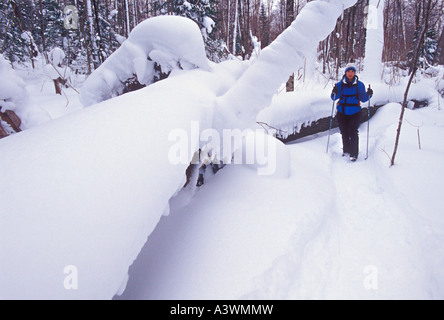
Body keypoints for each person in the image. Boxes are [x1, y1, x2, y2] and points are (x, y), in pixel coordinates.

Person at [331, 64, 373, 161]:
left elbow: (363, 99)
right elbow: (333, 98)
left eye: (352, 71)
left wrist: (369, 94)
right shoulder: (339, 85)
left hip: (355, 113)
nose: (350, 73)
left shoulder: (360, 85)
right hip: (342, 113)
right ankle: (346, 150)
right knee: (344, 132)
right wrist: (334, 91)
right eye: (348, 71)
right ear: (345, 73)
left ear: (354, 73)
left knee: (353, 132)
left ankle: (354, 154)